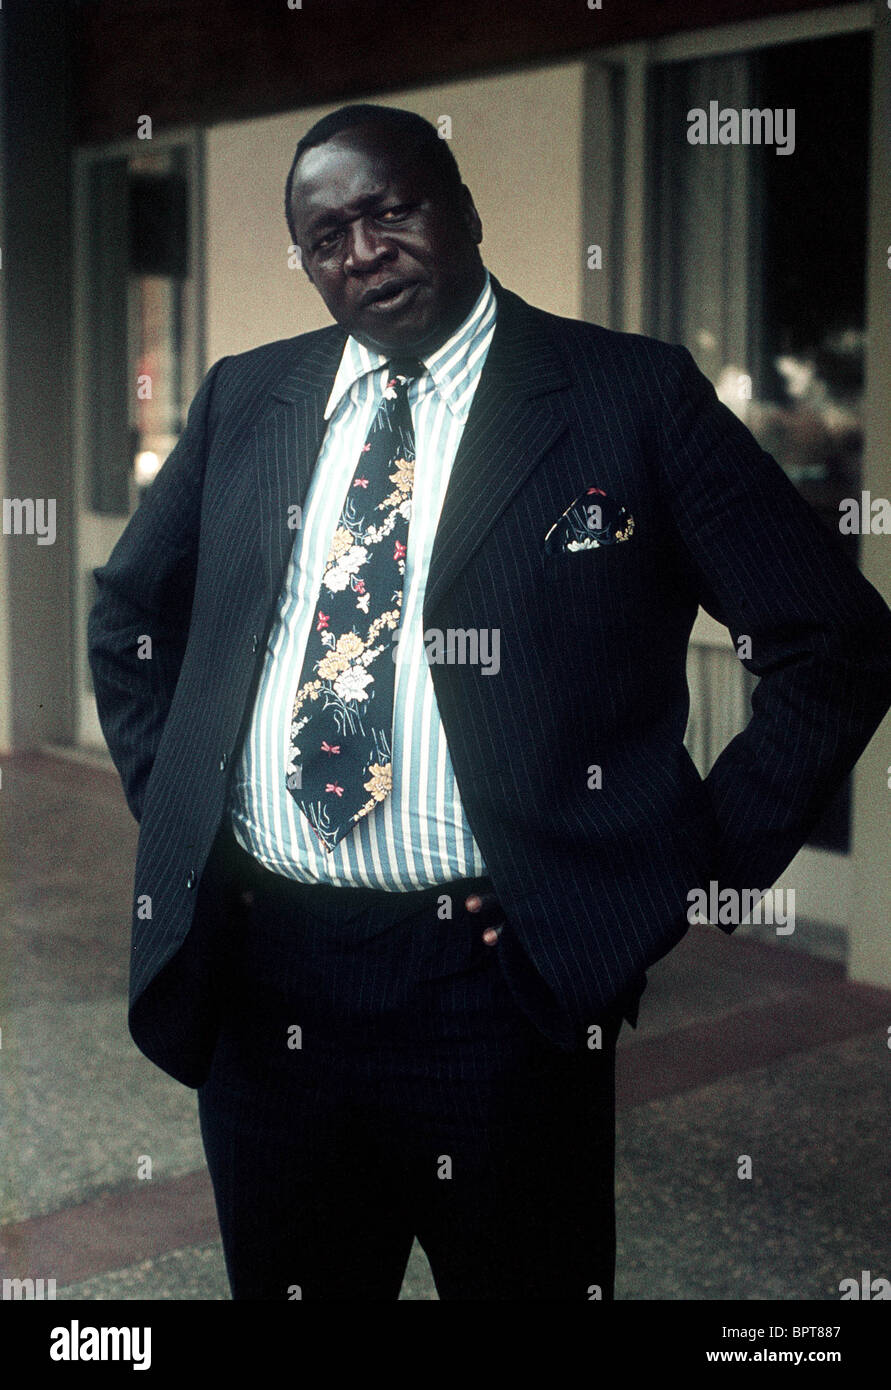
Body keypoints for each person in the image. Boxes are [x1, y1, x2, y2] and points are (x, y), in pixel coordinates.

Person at [88, 104, 891, 1301]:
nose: (362, 251)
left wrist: (670, 869)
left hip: (495, 990)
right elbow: (130, 619)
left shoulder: (627, 396)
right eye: (326, 236)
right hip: (265, 982)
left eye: (390, 211)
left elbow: (833, 638)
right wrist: (187, 812)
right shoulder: (246, 399)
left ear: (461, 210)